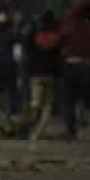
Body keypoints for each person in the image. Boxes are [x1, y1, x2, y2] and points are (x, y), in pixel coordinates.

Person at [59, 0, 90, 140]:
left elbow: (60, 41)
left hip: (71, 65)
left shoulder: (67, 25)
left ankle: (70, 129)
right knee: (81, 98)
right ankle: (79, 123)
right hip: (87, 66)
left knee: (68, 99)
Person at [26, 10, 63, 141]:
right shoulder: (57, 38)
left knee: (35, 104)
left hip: (36, 74)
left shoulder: (36, 36)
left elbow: (26, 44)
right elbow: (59, 57)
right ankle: (38, 132)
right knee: (48, 105)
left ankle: (29, 128)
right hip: (50, 74)